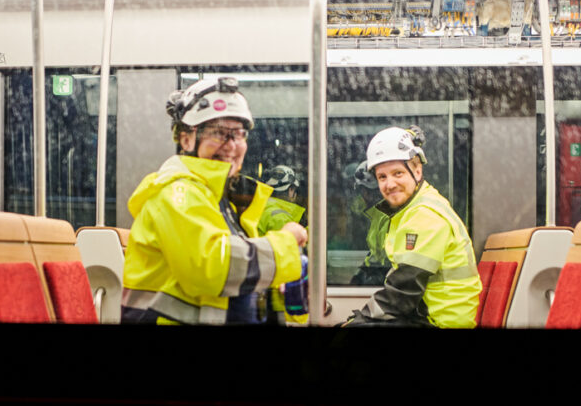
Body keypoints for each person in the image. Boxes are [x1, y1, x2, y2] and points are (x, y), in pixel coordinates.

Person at [122, 76, 307, 325]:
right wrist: (285, 245)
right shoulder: (176, 192)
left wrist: (279, 284)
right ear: (186, 139)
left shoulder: (224, 204)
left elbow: (238, 284)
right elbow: (210, 268)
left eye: (239, 134)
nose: (231, 145)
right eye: (219, 133)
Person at [344, 126, 481, 328]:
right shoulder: (410, 210)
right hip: (425, 315)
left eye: (397, 173)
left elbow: (403, 291)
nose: (389, 184)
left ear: (417, 171)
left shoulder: (424, 215)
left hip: (440, 322)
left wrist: (359, 320)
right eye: (382, 177)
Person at [256, 164, 308, 324]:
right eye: (294, 191)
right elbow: (290, 258)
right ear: (291, 190)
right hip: (277, 299)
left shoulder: (261, 209)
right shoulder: (280, 218)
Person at [348, 160, 392, 286]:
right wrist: (360, 274)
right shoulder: (378, 216)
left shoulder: (387, 219)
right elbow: (375, 256)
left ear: (365, 193)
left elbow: (388, 265)